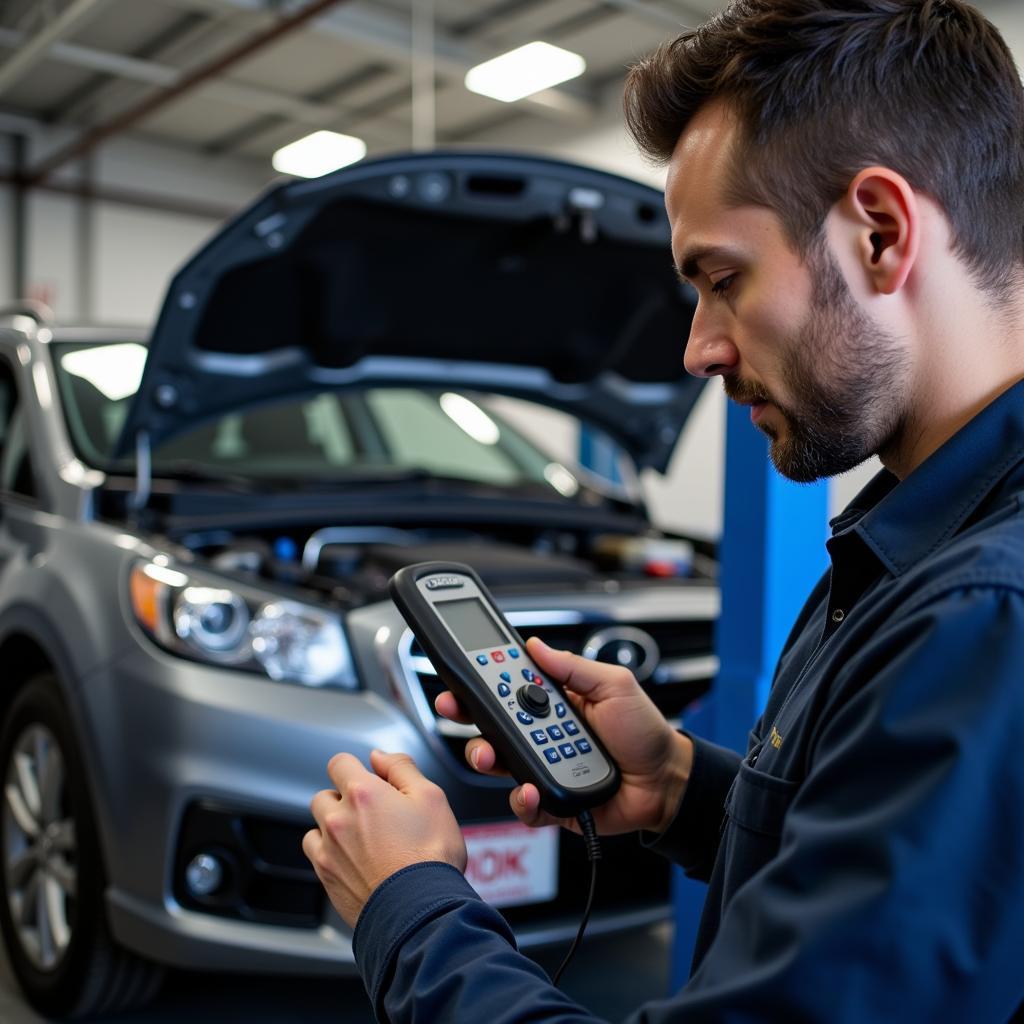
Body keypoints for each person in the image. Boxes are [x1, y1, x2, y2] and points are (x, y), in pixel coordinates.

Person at [302, 1, 1024, 1019]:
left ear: (880, 231)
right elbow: (872, 859)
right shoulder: (922, 543)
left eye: (722, 279)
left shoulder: (985, 619)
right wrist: (682, 787)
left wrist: (410, 911)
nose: (699, 348)